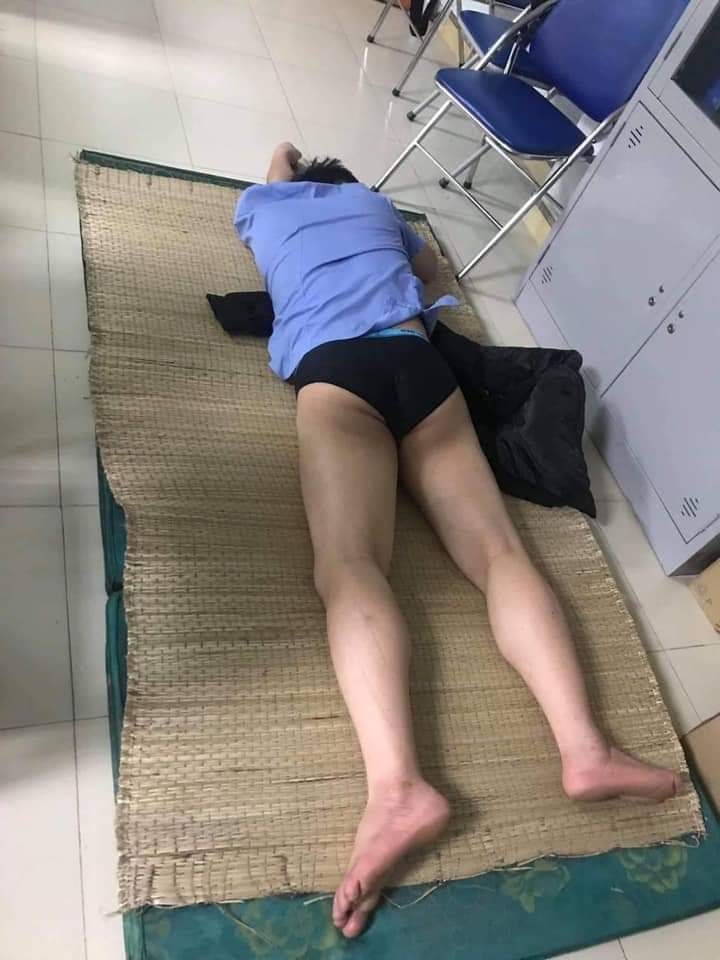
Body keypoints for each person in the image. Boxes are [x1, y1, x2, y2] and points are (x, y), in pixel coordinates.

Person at [233, 142, 680, 940]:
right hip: (419, 366)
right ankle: (585, 749)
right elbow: (432, 273)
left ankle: (398, 787)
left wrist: (290, 166)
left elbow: (277, 163)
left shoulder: (264, 206)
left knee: (351, 565)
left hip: (334, 373)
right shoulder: (382, 209)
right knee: (501, 554)